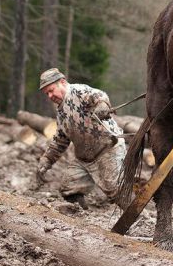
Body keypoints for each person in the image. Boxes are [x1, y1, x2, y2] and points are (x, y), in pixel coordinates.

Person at [36, 68, 132, 210]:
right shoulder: (60, 110)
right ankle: (81, 217)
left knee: (118, 192)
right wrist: (46, 160)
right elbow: (61, 139)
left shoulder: (78, 91)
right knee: (68, 187)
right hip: (84, 160)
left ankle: (136, 216)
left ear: (62, 82)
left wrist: (102, 106)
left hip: (107, 149)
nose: (50, 96)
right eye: (47, 94)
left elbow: (99, 95)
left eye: (51, 90)